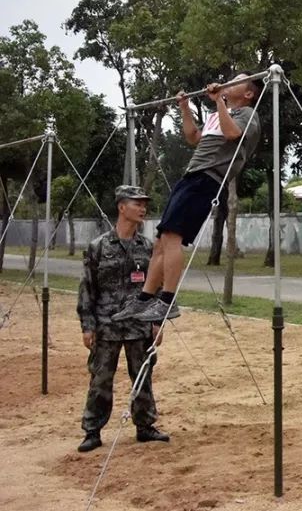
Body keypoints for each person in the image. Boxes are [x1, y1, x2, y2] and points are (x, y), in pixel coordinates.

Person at [114, 74, 262, 324]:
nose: (228, 83)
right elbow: (194, 137)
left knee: (173, 238)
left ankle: (167, 301)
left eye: (236, 82)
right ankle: (144, 299)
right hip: (191, 176)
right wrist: (184, 108)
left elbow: (232, 134)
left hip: (207, 179)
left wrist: (219, 102)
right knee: (161, 241)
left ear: (248, 94)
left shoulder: (248, 114)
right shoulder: (219, 113)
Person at [76, 186, 170, 453]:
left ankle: (145, 426)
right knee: (100, 379)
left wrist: (157, 322)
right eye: (137, 203)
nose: (143, 208)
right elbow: (88, 288)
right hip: (107, 325)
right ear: (121, 207)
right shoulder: (98, 247)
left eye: (144, 204)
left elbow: (160, 287)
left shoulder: (148, 247)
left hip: (139, 325)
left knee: (142, 377)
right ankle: (92, 431)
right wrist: (87, 325)